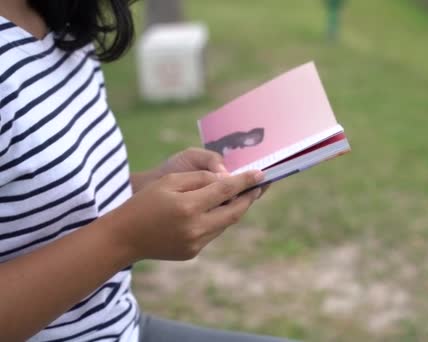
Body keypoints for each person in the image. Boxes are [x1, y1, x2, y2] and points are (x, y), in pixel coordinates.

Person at [0, 0, 291, 341]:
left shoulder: (60, 16)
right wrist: (124, 238)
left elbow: (38, 207)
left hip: (121, 327)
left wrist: (149, 187)